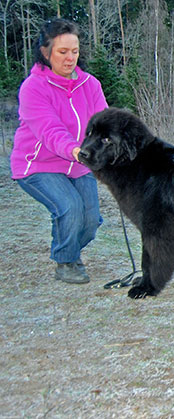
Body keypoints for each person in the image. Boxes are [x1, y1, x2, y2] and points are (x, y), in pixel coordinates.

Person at [10, 18, 109, 284]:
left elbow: (103, 123)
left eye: (74, 51)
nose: (70, 58)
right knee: (70, 207)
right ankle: (66, 262)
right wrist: (75, 150)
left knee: (90, 221)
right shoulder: (33, 88)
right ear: (46, 52)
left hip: (79, 164)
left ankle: (70, 248)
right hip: (38, 165)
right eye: (62, 52)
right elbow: (50, 131)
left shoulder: (91, 84)